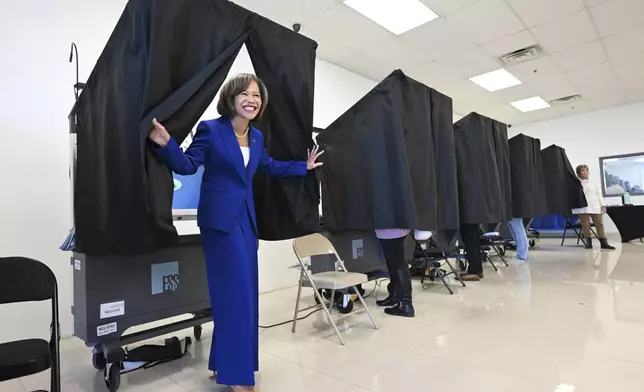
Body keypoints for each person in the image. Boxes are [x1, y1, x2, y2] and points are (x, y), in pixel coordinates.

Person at [148, 73, 323, 392]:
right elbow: (188, 165)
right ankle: (236, 376)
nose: (252, 99)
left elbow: (268, 166)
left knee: (243, 297)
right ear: (231, 97)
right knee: (235, 297)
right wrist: (166, 145)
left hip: (246, 222)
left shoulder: (256, 137)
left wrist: (303, 167)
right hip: (219, 223)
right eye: (245, 93)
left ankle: (224, 365)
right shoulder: (211, 130)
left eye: (257, 95)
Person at [374, 229, 429, 318]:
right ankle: (396, 296)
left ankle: (405, 304)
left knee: (397, 264)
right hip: (396, 226)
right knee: (393, 263)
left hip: (389, 227)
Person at [572, 165, 615, 250]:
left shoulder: (593, 182)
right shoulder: (575, 183)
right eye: (582, 171)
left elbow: (599, 193)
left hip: (595, 205)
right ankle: (588, 243)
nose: (585, 172)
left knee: (599, 224)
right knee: (585, 225)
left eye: (586, 170)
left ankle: (604, 242)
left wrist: (602, 204)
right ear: (578, 173)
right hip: (582, 207)